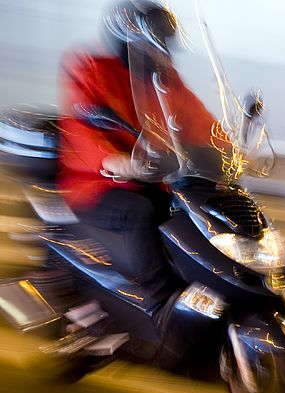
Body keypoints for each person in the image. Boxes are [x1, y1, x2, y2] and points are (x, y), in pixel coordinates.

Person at [57, 0, 222, 324]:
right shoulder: (92, 68)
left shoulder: (165, 80)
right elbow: (80, 126)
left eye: (164, 43)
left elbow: (200, 121)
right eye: (153, 43)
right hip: (95, 183)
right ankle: (161, 304)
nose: (160, 51)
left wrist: (227, 150)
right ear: (128, 41)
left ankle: (201, 293)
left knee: (190, 213)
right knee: (140, 213)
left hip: (151, 179)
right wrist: (114, 160)